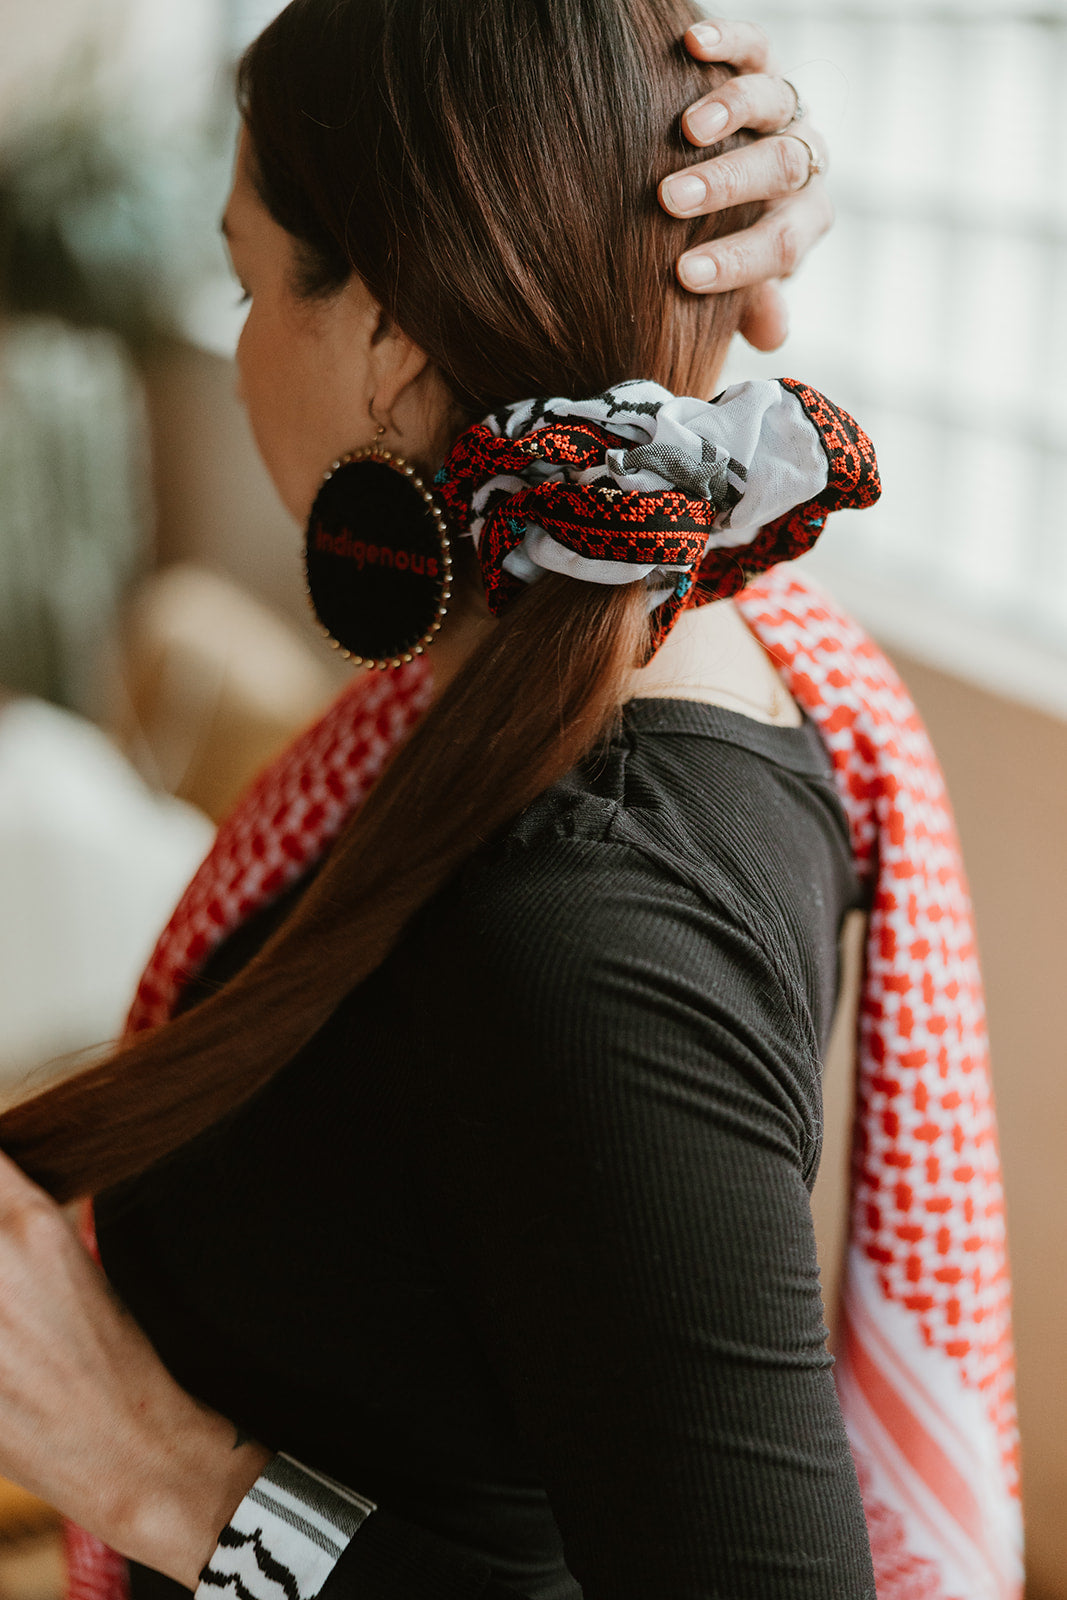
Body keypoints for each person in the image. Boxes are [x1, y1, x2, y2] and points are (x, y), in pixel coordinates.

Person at [0, 4, 888, 1597]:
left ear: (395, 340)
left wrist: (158, 1471)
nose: (239, 340)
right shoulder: (668, 647)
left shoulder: (587, 927)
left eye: (247, 282)